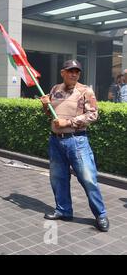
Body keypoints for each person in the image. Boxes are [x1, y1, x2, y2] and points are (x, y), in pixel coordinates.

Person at [40, 59, 109, 232]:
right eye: (70, 71)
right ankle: (64, 210)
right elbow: (51, 115)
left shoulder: (85, 91)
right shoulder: (55, 89)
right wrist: (45, 106)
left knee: (88, 179)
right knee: (58, 178)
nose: (74, 74)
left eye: (77, 71)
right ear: (63, 72)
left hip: (77, 141)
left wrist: (68, 122)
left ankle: (100, 215)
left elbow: (93, 115)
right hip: (55, 142)